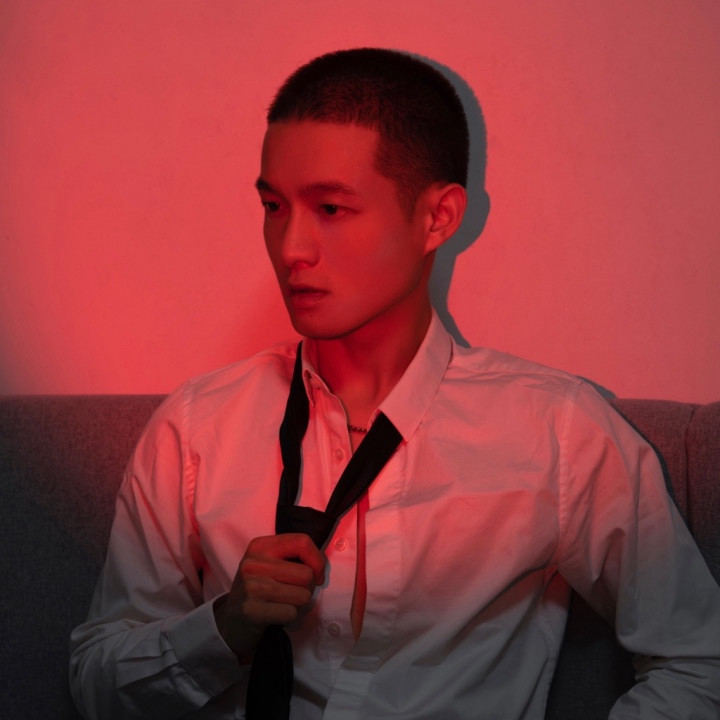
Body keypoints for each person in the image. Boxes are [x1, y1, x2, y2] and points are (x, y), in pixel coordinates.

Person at [70, 48, 720, 719]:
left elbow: (702, 662)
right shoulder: (196, 429)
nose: (290, 248)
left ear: (438, 218)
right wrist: (221, 629)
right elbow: (94, 685)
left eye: (330, 208)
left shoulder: (556, 432)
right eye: (273, 205)